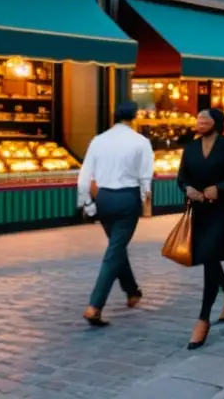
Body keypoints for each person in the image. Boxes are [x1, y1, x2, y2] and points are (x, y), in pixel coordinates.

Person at [78, 101, 155, 327]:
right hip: (127, 197)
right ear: (135, 116)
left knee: (116, 245)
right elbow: (145, 177)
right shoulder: (141, 142)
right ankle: (95, 305)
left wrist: (87, 203)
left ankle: (132, 291)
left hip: (104, 198)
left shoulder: (99, 140)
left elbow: (84, 176)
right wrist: (142, 198)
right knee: (114, 250)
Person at [178, 108, 224, 350]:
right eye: (198, 119)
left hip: (221, 211)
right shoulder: (191, 148)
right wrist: (187, 189)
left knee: (209, 258)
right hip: (199, 211)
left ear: (216, 123)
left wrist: (221, 187)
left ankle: (203, 319)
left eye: (205, 119)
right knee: (209, 259)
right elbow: (181, 177)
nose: (200, 122)